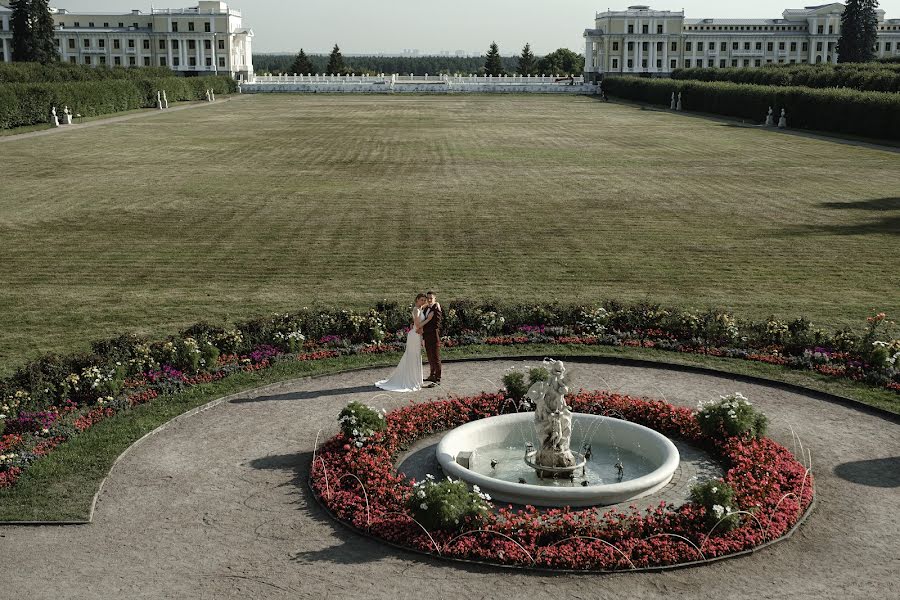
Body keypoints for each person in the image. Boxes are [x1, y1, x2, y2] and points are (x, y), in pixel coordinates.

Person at [375, 294, 429, 392]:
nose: (423, 302)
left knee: (416, 356)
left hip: (417, 335)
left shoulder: (420, 308)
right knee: (412, 356)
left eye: (424, 300)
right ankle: (412, 380)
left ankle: (416, 380)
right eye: (421, 300)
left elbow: (426, 306)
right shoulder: (416, 310)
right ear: (417, 300)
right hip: (414, 335)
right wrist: (428, 319)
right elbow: (417, 325)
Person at [421, 291, 443, 386]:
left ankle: (438, 378)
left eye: (431, 298)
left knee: (436, 358)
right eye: (428, 298)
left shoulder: (436, 309)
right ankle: (432, 375)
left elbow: (436, 324)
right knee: (430, 357)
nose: (429, 300)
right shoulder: (426, 308)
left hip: (434, 336)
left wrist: (424, 326)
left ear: (435, 299)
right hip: (427, 337)